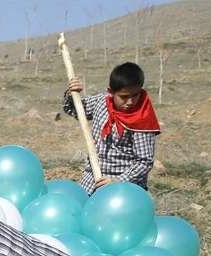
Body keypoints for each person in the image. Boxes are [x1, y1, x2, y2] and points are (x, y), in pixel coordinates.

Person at [64, 61, 161, 193]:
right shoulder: (101, 101)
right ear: (111, 92)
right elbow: (74, 109)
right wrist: (72, 93)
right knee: (78, 208)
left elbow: (144, 162)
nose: (130, 102)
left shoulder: (142, 118)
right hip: (91, 178)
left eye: (135, 95)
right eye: (124, 97)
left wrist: (117, 181)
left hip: (124, 186)